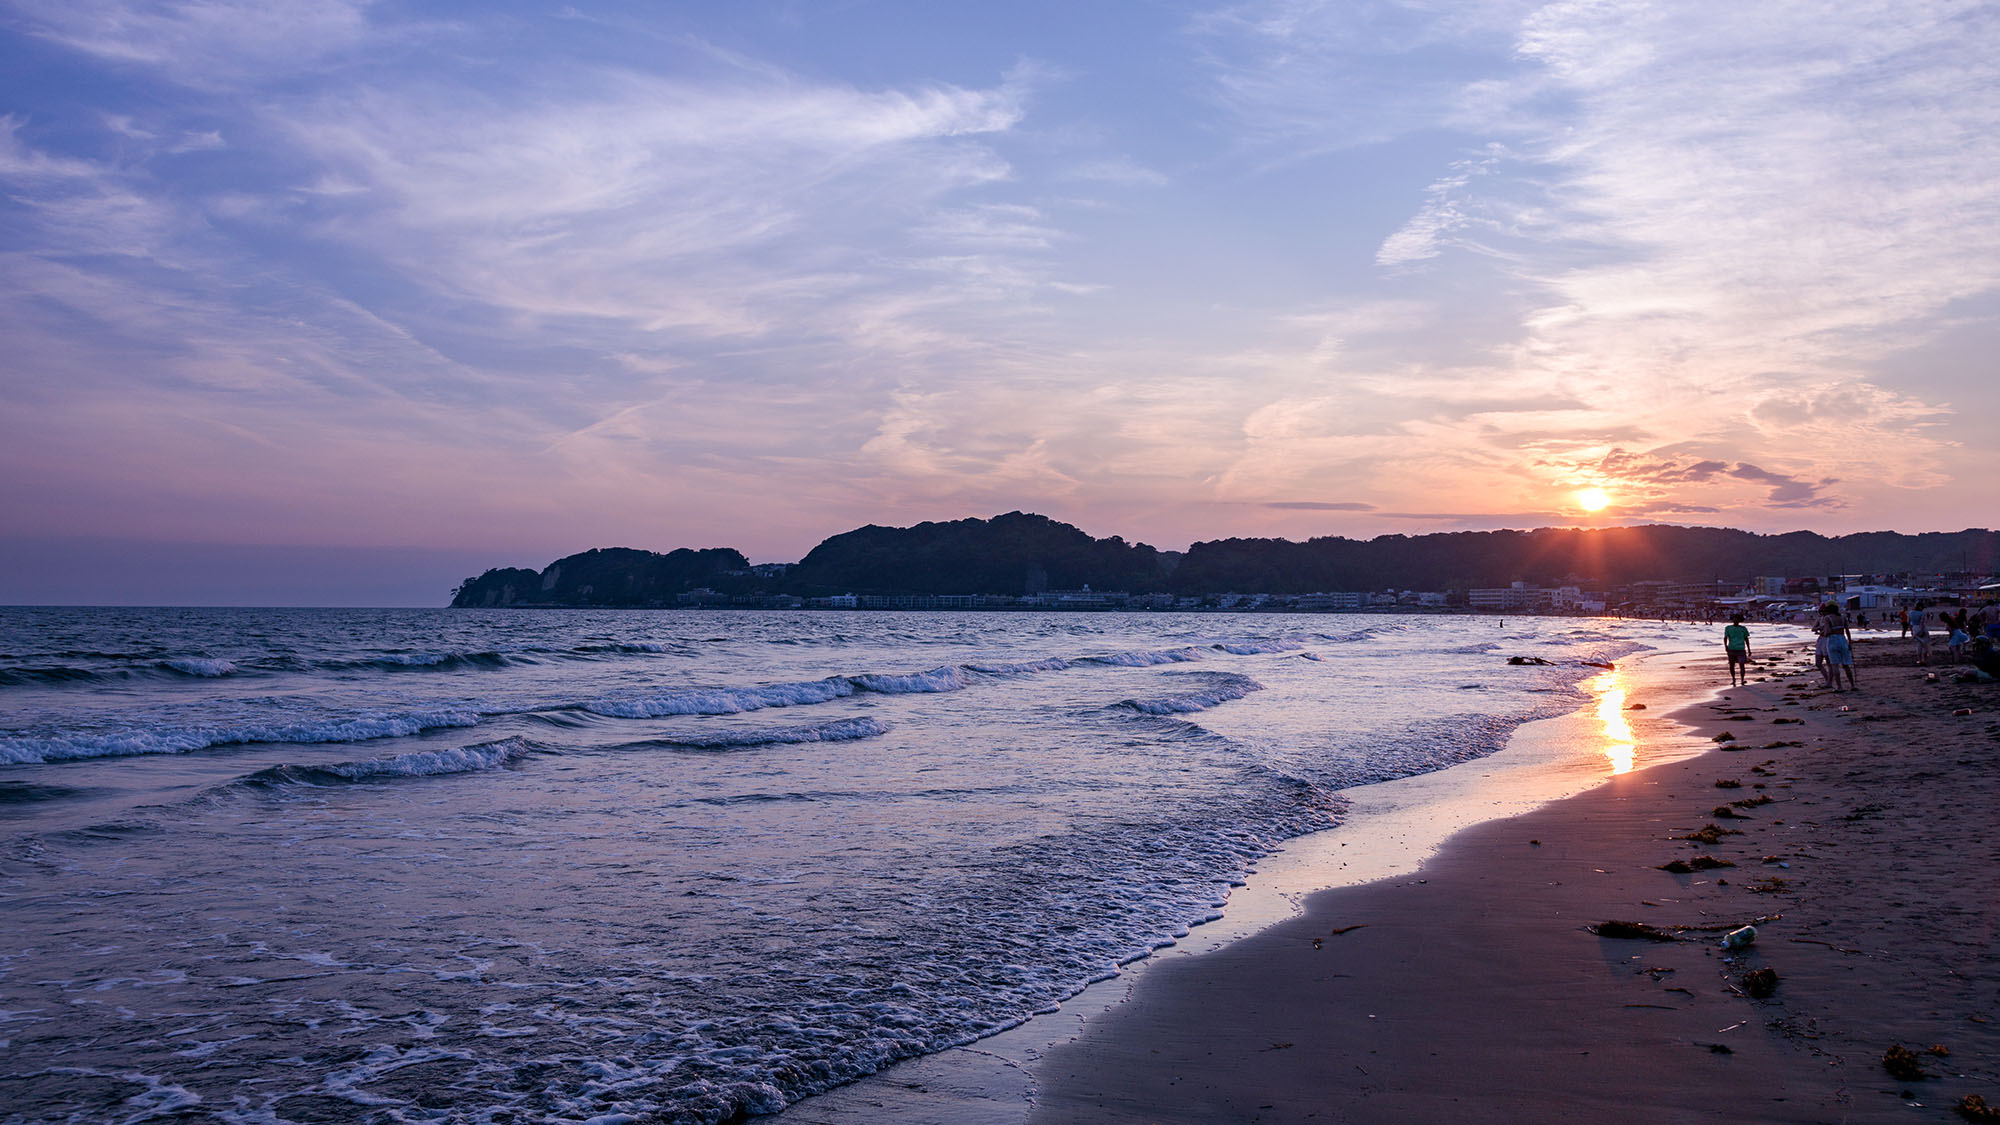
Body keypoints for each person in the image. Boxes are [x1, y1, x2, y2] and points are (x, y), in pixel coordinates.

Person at [1816, 603, 1857, 691]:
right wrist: (1850, 643)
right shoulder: (1843, 617)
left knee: (1835, 665)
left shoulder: (1828, 618)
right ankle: (1853, 685)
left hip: (1832, 641)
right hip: (1842, 639)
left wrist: (1821, 632)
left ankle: (1839, 687)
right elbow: (1847, 631)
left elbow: (1827, 631)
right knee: (1846, 665)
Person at [1723, 613, 1753, 686]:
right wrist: (1726, 646)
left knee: (1742, 665)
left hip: (1741, 649)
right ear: (1732, 619)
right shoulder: (1728, 628)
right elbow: (1725, 637)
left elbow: (1746, 639)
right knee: (1731, 665)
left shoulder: (1743, 629)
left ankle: (1742, 679)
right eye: (1734, 618)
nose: (1735, 620)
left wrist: (1749, 649)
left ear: (1740, 620)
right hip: (1731, 649)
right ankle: (1733, 679)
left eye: (1737, 618)